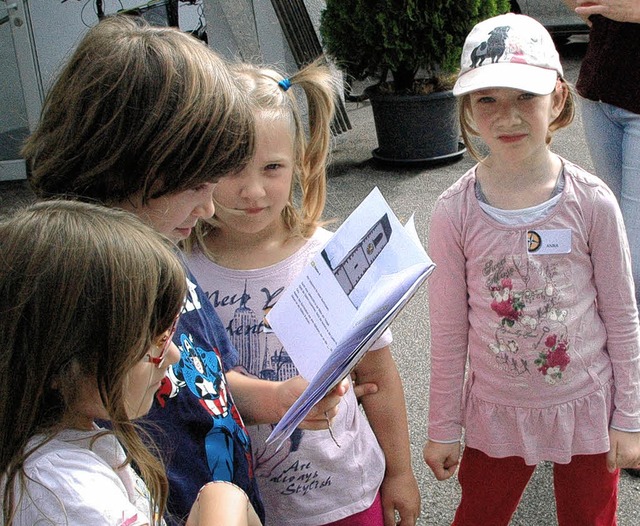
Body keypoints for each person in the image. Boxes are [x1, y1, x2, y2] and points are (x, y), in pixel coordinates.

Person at [22, 15, 349, 526]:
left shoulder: (165, 252)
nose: (207, 209)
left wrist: (275, 398)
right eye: (199, 184)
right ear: (134, 163)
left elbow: (207, 376)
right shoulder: (84, 301)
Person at [422, 13, 640, 525]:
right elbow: (448, 333)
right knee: (479, 515)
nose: (508, 116)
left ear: (558, 99)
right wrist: (442, 426)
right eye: (488, 99)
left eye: (525, 97)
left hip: (588, 407)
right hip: (497, 415)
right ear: (468, 111)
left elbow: (624, 319)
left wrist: (630, 416)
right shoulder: (453, 213)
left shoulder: (593, 204)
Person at [184, 60, 421, 526]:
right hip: (239, 503)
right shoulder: (179, 269)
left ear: (300, 164)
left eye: (272, 167)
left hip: (345, 493)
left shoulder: (329, 257)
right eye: (231, 167)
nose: (253, 190)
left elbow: (379, 378)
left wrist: (401, 472)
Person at [0, 200, 261, 526]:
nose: (173, 355)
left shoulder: (72, 447)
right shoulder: (63, 493)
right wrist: (220, 503)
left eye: (167, 334)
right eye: (152, 340)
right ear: (58, 357)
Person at [564, 1, 640, 478]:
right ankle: (610, 401)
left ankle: (630, 416)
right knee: (615, 253)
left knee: (632, 267)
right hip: (602, 90)